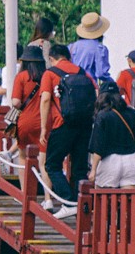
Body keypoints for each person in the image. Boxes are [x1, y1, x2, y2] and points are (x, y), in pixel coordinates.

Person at [39, 41, 94, 202]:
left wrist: (43, 128)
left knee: (52, 165)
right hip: (84, 125)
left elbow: (45, 100)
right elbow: (95, 92)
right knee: (80, 169)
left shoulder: (49, 74)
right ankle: (80, 205)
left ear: (51, 58)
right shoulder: (82, 72)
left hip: (62, 125)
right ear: (68, 57)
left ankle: (68, 201)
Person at [89, 83, 135, 188]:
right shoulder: (133, 113)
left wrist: (93, 170)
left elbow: (98, 147)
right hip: (131, 160)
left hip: (109, 162)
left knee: (104, 200)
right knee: (130, 201)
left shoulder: (102, 116)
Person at [8, 44, 46, 157]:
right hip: (44, 122)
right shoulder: (47, 76)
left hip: (25, 122)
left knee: (24, 158)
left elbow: (16, 102)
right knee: (43, 159)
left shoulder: (21, 76)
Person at [68, 12, 113, 82]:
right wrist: (113, 83)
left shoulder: (71, 47)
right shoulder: (99, 48)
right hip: (89, 86)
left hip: (71, 85)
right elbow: (101, 74)